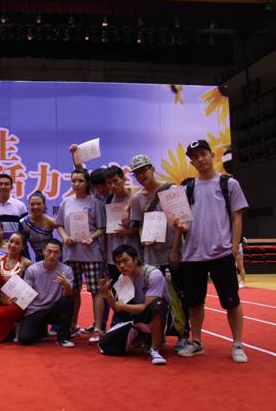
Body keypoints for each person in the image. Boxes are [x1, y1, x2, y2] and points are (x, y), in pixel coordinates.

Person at [171, 139, 249, 363]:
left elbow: (237, 217)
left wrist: (234, 248)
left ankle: (237, 344)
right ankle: (196, 342)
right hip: (192, 255)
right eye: (195, 157)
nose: (200, 159)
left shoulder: (228, 184)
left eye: (203, 154)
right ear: (192, 163)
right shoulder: (187, 188)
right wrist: (176, 246)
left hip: (221, 253)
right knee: (195, 303)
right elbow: (182, 222)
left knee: (232, 301)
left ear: (212, 155)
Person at [128, 154, 190, 349]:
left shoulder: (171, 190)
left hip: (173, 254)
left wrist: (175, 251)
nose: (141, 175)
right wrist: (143, 238)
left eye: (144, 170)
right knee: (155, 298)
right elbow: (139, 224)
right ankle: (158, 334)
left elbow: (181, 222)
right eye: (137, 173)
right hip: (151, 257)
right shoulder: (137, 198)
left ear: (152, 169)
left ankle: (183, 334)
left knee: (178, 295)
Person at [55, 169, 106, 343]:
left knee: (96, 291)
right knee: (73, 291)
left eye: (81, 181)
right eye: (74, 181)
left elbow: (102, 227)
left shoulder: (95, 203)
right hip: (71, 253)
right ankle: (73, 326)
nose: (77, 184)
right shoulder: (66, 202)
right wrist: (64, 237)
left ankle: (98, 328)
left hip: (91, 254)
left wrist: (92, 237)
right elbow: (59, 224)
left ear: (87, 183)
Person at [99, 245, 172, 365]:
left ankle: (155, 349)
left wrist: (123, 306)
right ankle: (143, 337)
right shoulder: (123, 278)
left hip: (162, 317)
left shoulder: (153, 274)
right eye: (118, 263)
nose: (122, 266)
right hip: (138, 318)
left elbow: (147, 307)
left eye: (125, 261)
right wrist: (107, 294)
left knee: (157, 305)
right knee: (105, 345)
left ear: (136, 260)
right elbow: (117, 308)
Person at [18, 239, 76, 347]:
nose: (52, 255)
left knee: (68, 302)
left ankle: (63, 338)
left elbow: (68, 295)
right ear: (43, 251)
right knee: (24, 339)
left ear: (60, 253)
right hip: (36, 310)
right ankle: (41, 330)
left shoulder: (66, 270)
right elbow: (25, 295)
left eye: (56, 252)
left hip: (54, 309)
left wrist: (67, 285)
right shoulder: (32, 270)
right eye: (49, 251)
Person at [0, 232, 33, 342]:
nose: (13, 245)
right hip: (2, 303)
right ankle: (14, 326)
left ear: (23, 246)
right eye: (11, 241)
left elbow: (30, 289)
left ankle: (17, 324)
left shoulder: (26, 263)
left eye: (17, 243)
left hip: (18, 305)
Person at [103, 166, 142, 283]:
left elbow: (142, 226)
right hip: (114, 257)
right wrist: (106, 254)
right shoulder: (108, 200)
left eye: (116, 181)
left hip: (133, 254)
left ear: (124, 179)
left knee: (137, 289)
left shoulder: (136, 197)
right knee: (118, 290)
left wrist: (128, 231)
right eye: (109, 183)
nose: (113, 185)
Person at [0, 174, 28, 241]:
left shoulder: (20, 206)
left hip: (15, 246)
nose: (3, 186)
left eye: (6, 184)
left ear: (11, 187)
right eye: (0, 184)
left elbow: (25, 230)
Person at [20, 191, 55, 261]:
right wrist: (27, 260)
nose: (35, 207)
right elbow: (21, 244)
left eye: (39, 204)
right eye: (32, 204)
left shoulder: (51, 221)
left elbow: (63, 229)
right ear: (28, 206)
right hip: (38, 258)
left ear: (44, 205)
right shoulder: (23, 222)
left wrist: (64, 239)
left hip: (53, 257)